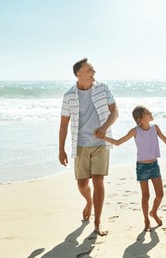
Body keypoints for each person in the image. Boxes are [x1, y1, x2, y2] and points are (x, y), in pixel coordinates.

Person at [59, 58, 118, 236]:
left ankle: (98, 222)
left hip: (101, 142)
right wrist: (61, 149)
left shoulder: (103, 88)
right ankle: (89, 202)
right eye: (90, 69)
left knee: (98, 181)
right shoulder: (69, 95)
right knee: (82, 184)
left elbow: (115, 112)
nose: (94, 71)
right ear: (79, 74)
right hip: (80, 145)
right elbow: (63, 124)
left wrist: (104, 128)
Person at [102, 105, 166, 232]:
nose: (150, 113)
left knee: (160, 194)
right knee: (146, 196)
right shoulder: (135, 131)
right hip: (142, 167)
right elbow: (118, 142)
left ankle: (153, 212)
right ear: (140, 119)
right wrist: (103, 137)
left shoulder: (155, 128)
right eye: (148, 113)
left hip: (154, 165)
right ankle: (146, 220)